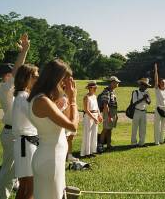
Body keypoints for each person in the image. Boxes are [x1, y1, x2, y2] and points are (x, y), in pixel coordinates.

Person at [28, 59, 79, 199]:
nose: (64, 84)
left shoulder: (45, 99)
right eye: (64, 80)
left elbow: (65, 121)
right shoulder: (42, 101)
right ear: (55, 78)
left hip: (52, 158)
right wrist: (73, 100)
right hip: (50, 161)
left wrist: (66, 98)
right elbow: (73, 126)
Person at [0, 34, 30, 199]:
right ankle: (1, 196)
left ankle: (15, 184)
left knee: (14, 168)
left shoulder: (12, 90)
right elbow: (18, 72)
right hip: (11, 134)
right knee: (7, 172)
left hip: (15, 133)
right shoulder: (5, 88)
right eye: (11, 72)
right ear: (6, 75)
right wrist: (24, 52)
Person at [12, 64, 39, 199]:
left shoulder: (24, 96)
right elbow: (37, 118)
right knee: (30, 186)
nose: (38, 79)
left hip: (27, 143)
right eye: (35, 76)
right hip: (26, 145)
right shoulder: (23, 97)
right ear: (26, 78)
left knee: (25, 186)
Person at [80, 81, 102, 157]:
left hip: (95, 115)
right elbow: (86, 109)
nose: (96, 89)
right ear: (90, 88)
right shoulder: (86, 97)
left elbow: (97, 107)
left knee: (94, 134)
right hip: (89, 117)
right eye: (94, 87)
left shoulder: (95, 96)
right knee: (88, 134)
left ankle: (92, 151)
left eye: (96, 87)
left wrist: (99, 115)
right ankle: (86, 152)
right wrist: (93, 118)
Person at [98, 76, 120, 151]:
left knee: (109, 129)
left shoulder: (112, 91)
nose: (117, 84)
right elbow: (105, 105)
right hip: (108, 112)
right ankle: (100, 145)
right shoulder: (106, 91)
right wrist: (109, 115)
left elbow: (114, 104)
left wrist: (116, 115)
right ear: (112, 83)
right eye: (116, 82)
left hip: (112, 112)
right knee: (105, 129)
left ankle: (108, 144)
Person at [131, 78, 152, 147]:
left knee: (143, 128)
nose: (146, 87)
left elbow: (149, 102)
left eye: (146, 86)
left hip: (144, 112)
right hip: (136, 111)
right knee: (135, 128)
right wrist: (143, 98)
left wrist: (146, 98)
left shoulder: (147, 92)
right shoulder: (135, 92)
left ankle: (141, 143)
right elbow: (134, 103)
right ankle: (133, 143)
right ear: (140, 85)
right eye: (144, 85)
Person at [153, 63, 165, 145]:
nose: (163, 83)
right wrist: (156, 70)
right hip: (158, 109)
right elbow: (156, 79)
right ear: (159, 83)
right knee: (157, 126)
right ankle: (156, 142)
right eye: (161, 82)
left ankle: (161, 140)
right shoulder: (157, 89)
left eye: (164, 82)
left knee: (163, 126)